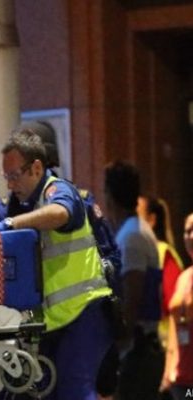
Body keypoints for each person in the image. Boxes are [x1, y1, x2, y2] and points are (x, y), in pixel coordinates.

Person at [0, 128, 113, 400]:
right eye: (6, 177)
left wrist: (8, 225)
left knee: (75, 389)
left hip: (84, 312)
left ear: (37, 168)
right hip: (53, 322)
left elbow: (60, 213)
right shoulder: (22, 204)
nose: (10, 184)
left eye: (14, 176)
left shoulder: (58, 190)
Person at [104, 160, 163, 400]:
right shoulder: (131, 231)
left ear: (110, 195)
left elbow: (132, 296)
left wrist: (119, 343)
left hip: (138, 352)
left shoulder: (132, 237)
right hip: (138, 349)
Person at [138, 195, 185, 348]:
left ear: (151, 220)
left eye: (136, 216)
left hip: (163, 343)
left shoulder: (164, 253)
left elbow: (174, 305)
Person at [160, 213, 193, 399]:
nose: (191, 236)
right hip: (179, 378)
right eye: (187, 231)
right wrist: (168, 370)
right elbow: (174, 325)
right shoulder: (184, 278)